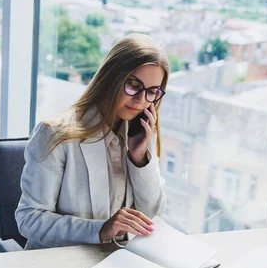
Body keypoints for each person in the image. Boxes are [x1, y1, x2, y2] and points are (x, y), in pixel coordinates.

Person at [15, 33, 169, 249]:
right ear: (111, 78)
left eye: (152, 92)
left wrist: (140, 160)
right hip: (61, 266)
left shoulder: (141, 135)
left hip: (118, 263)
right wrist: (100, 230)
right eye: (134, 85)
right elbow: (29, 220)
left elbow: (153, 215)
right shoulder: (54, 134)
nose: (141, 100)